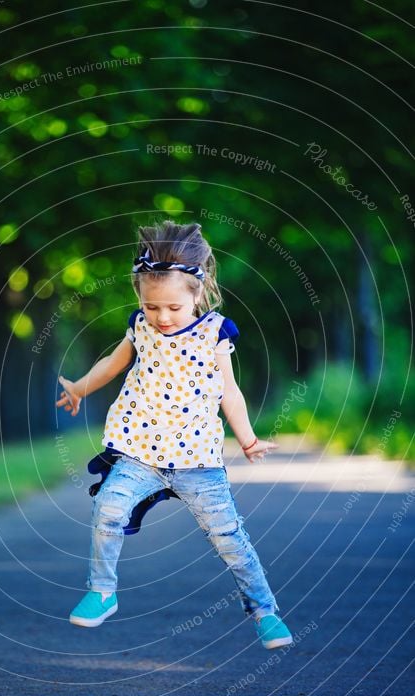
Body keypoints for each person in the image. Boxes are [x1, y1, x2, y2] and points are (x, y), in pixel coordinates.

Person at [56, 220, 293, 649]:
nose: (161, 317)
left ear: (196, 294)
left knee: (229, 538)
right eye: (151, 307)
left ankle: (265, 612)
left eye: (172, 308)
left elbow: (230, 392)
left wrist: (248, 439)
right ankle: (102, 591)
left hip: (198, 459)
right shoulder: (140, 327)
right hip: (140, 451)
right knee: (108, 508)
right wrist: (79, 387)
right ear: (140, 300)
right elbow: (112, 365)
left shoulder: (214, 333)